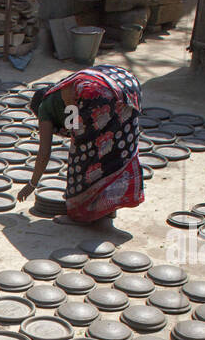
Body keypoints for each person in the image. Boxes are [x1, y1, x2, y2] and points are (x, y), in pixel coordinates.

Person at [17, 65, 144, 225]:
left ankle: (78, 215)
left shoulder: (45, 107)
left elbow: (44, 152)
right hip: (126, 83)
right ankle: (108, 208)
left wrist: (32, 183)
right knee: (116, 149)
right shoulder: (64, 90)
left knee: (82, 158)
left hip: (97, 92)